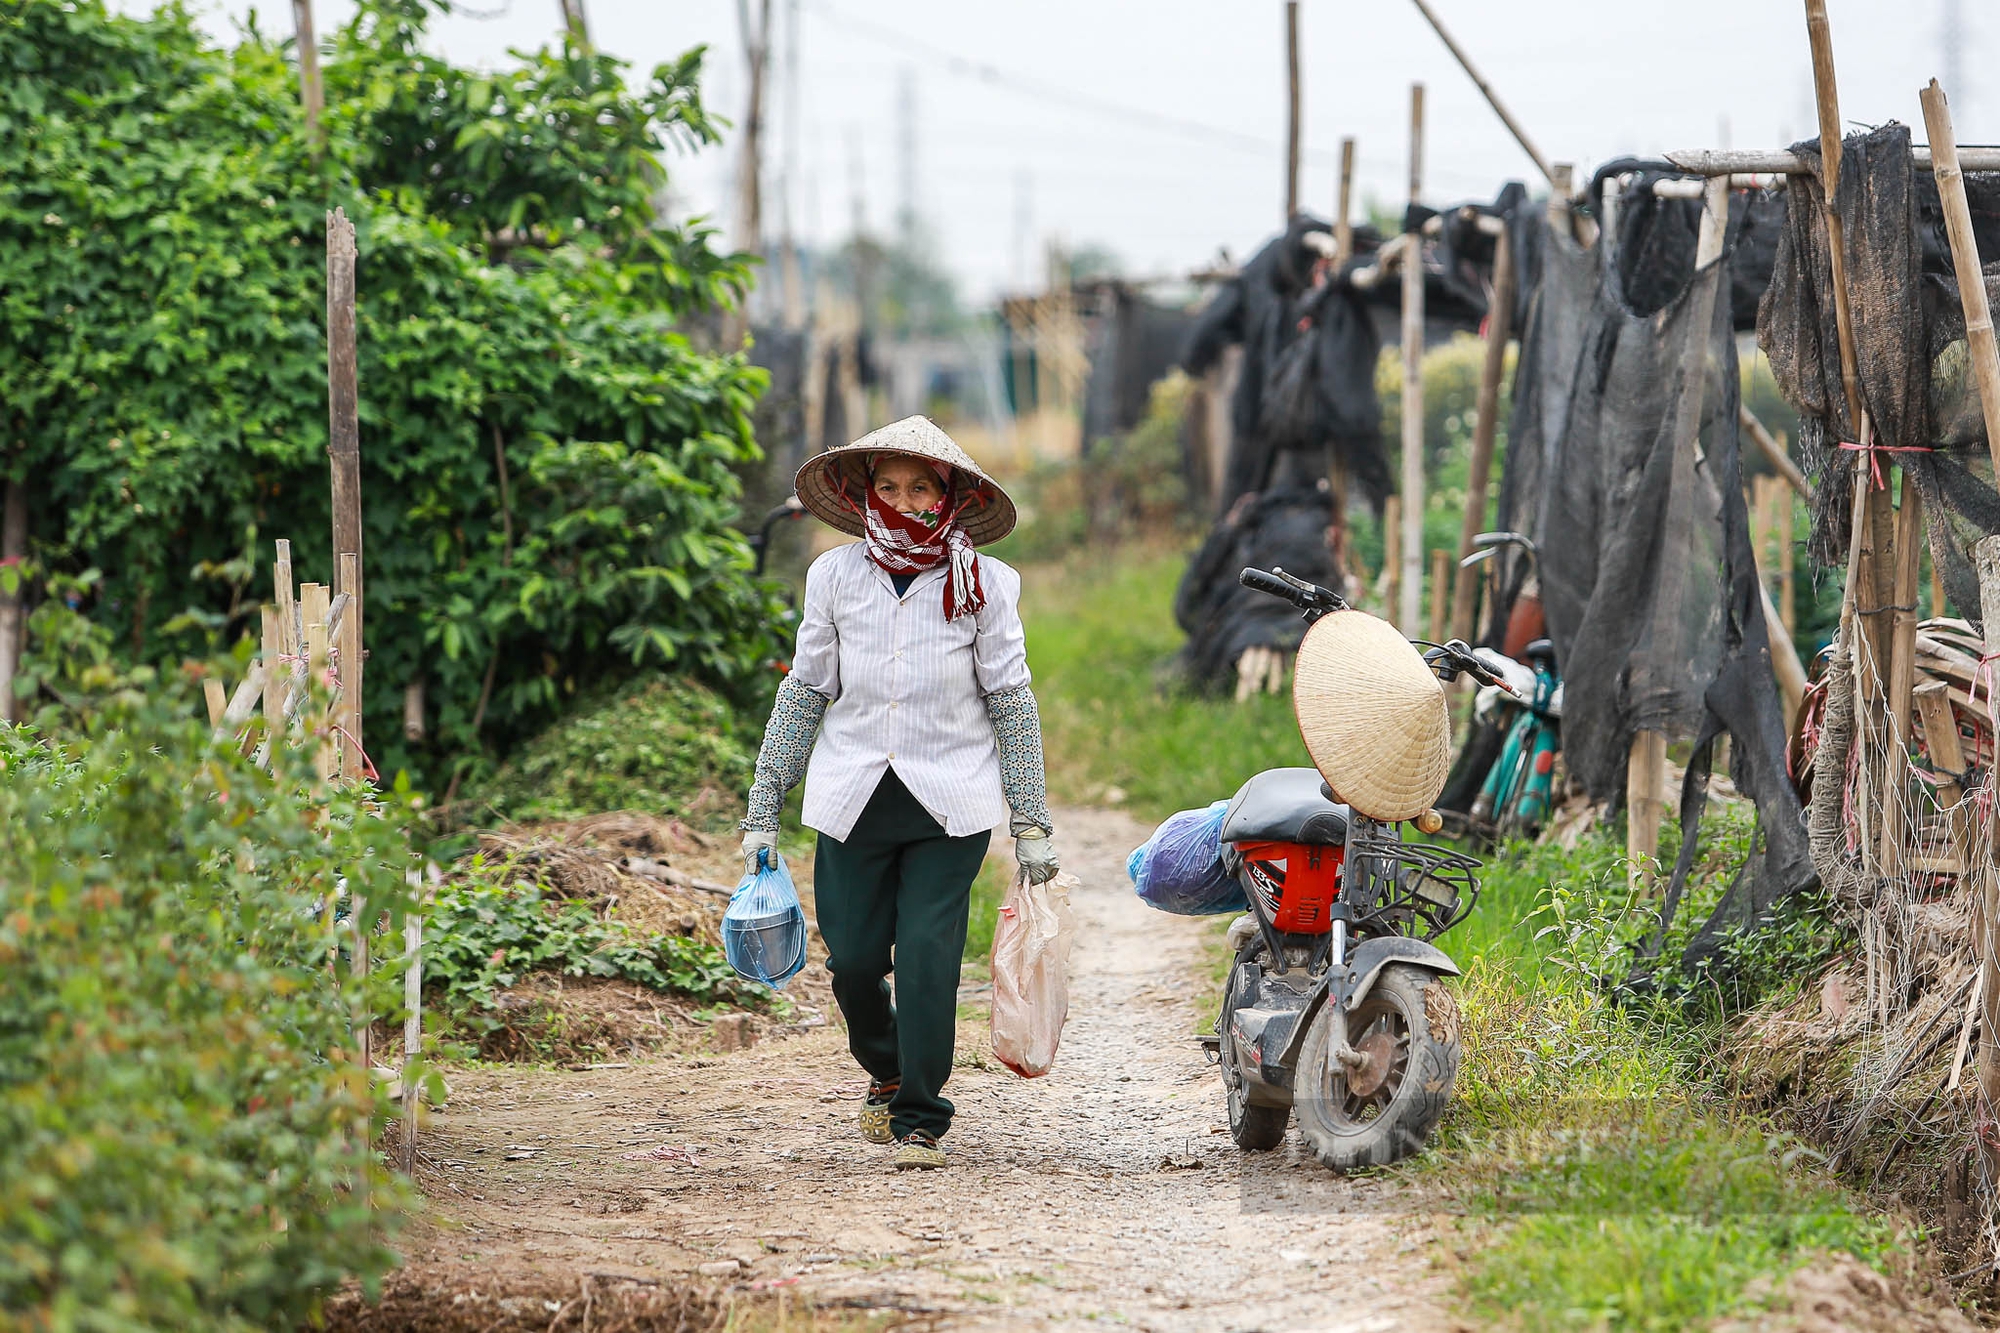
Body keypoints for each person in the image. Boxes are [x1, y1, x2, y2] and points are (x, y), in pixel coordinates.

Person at [739, 416, 1059, 1171]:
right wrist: (763, 802)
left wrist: (1031, 821)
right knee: (851, 960)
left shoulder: (986, 584)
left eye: (920, 488)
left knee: (926, 958)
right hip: (853, 794)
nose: (904, 500)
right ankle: (883, 1066)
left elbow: (1011, 700)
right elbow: (806, 690)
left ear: (949, 496)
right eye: (888, 486)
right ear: (864, 493)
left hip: (949, 800)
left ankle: (920, 1114)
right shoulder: (834, 576)